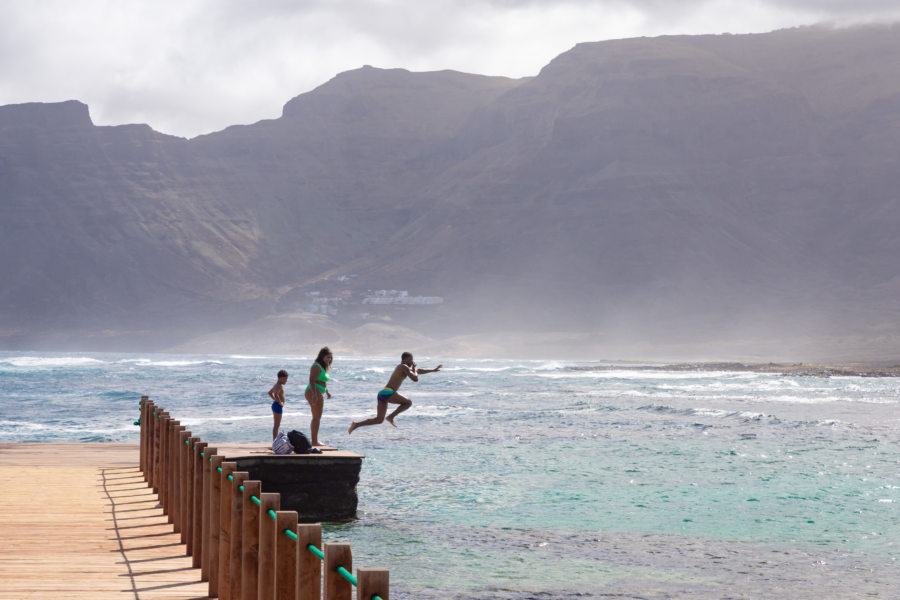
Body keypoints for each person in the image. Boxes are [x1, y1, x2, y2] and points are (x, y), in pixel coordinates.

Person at [348, 352, 442, 434]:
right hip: (388, 392)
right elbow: (415, 378)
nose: (411, 362)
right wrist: (414, 368)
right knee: (408, 402)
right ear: (404, 359)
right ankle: (391, 417)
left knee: (379, 420)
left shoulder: (404, 368)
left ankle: (356, 424)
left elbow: (419, 371)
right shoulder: (403, 366)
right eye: (410, 360)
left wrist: (433, 370)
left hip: (382, 393)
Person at [305, 346, 333, 447]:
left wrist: (327, 392)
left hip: (318, 391)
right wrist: (314, 394)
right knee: (316, 417)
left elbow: (321, 381)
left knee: (316, 417)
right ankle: (314, 441)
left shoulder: (322, 366)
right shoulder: (316, 366)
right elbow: (312, 380)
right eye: (327, 357)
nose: (329, 359)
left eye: (330, 357)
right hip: (314, 391)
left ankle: (314, 440)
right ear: (322, 356)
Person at [268, 369, 288, 440]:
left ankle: (275, 441)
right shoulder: (278, 386)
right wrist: (280, 402)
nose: (286, 380)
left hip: (276, 405)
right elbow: (276, 394)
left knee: (276, 425)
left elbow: (270, 392)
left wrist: (275, 400)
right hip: (277, 406)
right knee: (276, 426)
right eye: (285, 379)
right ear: (280, 378)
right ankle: (275, 441)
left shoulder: (276, 385)